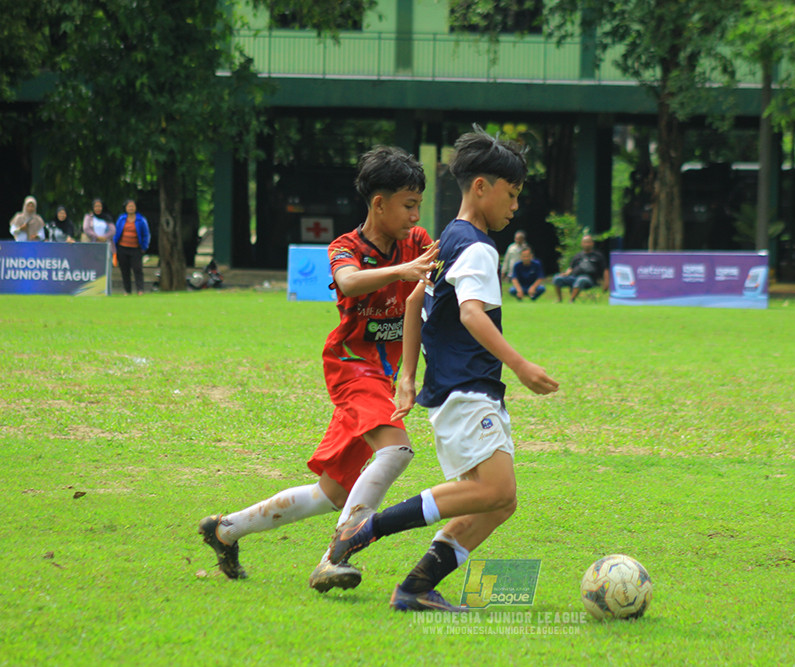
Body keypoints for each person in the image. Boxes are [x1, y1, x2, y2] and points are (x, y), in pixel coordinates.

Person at [320, 127, 559, 613]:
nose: (515, 206)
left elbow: (412, 300)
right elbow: (471, 313)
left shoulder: (449, 236)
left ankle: (416, 587)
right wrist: (521, 364)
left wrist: (408, 375)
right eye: (510, 194)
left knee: (498, 501)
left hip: (458, 390)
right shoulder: (478, 248)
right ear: (480, 187)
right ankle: (367, 527)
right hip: (468, 388)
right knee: (495, 490)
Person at [198, 146, 439, 591]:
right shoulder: (346, 247)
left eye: (418, 205)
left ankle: (225, 529)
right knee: (397, 451)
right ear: (378, 203)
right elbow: (347, 281)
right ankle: (334, 557)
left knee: (332, 494)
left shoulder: (418, 241)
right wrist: (403, 271)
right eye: (408, 205)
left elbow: (432, 286)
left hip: (380, 377)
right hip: (351, 367)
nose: (415, 215)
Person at [552, 234, 609, 302]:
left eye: (588, 242)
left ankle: (571, 300)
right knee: (557, 278)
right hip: (574, 277)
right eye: (585, 242)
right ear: (582, 244)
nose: (587, 244)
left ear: (592, 243)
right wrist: (566, 273)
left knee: (581, 280)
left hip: (590, 280)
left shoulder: (598, 256)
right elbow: (571, 268)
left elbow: (605, 270)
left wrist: (606, 283)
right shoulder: (578, 255)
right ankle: (559, 299)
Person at [113, 199, 151, 295]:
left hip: (136, 248)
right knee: (125, 270)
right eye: (129, 206)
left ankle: (140, 290)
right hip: (122, 248)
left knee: (137, 269)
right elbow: (116, 232)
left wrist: (144, 246)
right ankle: (127, 290)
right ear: (125, 208)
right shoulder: (121, 219)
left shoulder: (141, 220)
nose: (131, 208)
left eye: (132, 206)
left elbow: (146, 234)